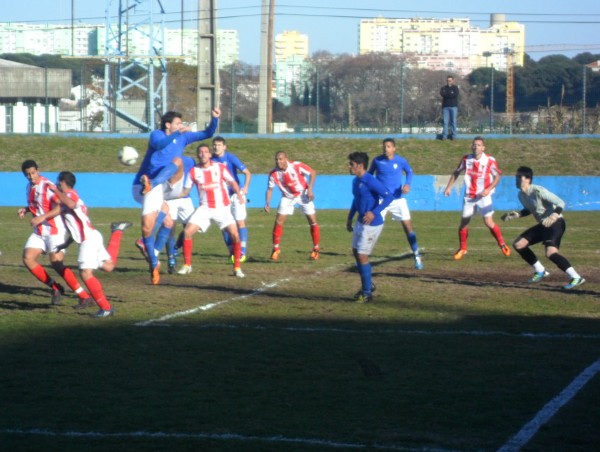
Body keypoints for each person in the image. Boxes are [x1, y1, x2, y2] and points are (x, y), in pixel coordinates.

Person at [132, 108, 220, 285]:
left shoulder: (183, 137)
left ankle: (154, 262)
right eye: (178, 123)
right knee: (148, 229)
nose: (181, 125)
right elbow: (160, 145)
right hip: (143, 185)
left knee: (168, 222)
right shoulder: (156, 135)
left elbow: (208, 133)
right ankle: (149, 248)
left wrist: (215, 119)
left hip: (158, 186)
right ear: (168, 125)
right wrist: (177, 133)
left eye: (181, 123)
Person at [49, 171, 132, 317]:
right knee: (108, 266)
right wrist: (65, 245)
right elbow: (76, 228)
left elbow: (71, 203)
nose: (56, 184)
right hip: (91, 236)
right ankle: (117, 231)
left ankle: (106, 308)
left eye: (58, 181)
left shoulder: (70, 195)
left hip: (88, 239)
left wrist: (55, 191)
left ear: (63, 182)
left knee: (85, 273)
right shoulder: (68, 198)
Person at [18, 159, 92, 306]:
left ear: (38, 171)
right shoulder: (29, 186)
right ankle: (55, 287)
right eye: (28, 174)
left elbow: (61, 206)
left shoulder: (48, 186)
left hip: (55, 230)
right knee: (28, 258)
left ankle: (84, 296)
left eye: (33, 173)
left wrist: (42, 217)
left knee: (56, 262)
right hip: (40, 231)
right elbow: (37, 204)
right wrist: (26, 209)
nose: (31, 176)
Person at [501, 166, 586, 290]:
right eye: (516, 177)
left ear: (528, 179)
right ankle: (540, 270)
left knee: (551, 253)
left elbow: (560, 202)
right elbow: (530, 209)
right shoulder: (521, 195)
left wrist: (554, 215)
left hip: (556, 223)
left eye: (519, 177)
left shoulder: (538, 191)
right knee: (519, 244)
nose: (516, 179)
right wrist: (518, 214)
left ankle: (576, 277)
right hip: (544, 225)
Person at [176, 144, 246, 278]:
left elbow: (232, 182)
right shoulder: (193, 171)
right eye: (200, 152)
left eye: (205, 152)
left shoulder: (220, 167)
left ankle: (237, 267)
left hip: (222, 208)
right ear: (198, 155)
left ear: (209, 154)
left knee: (235, 235)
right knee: (187, 232)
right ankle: (187, 265)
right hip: (205, 208)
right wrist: (171, 196)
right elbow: (185, 191)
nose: (203, 154)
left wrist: (239, 195)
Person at [444, 136, 511, 260]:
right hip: (469, 197)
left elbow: (497, 177)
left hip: (483, 196)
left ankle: (502, 244)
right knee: (463, 224)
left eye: (479, 145)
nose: (476, 147)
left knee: (488, 222)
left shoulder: (490, 160)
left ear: (483, 148)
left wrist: (488, 189)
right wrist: (449, 187)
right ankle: (462, 249)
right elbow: (457, 172)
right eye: (474, 145)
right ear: (471, 147)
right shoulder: (466, 159)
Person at [368, 137, 423, 270]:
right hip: (381, 200)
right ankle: (364, 258)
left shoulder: (401, 161)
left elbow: (409, 172)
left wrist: (408, 184)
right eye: (384, 147)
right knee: (373, 228)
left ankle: (417, 255)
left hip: (397, 200)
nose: (385, 149)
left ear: (394, 148)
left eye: (388, 147)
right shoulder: (377, 161)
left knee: (408, 227)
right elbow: (369, 175)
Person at [346, 152, 393, 303]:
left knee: (362, 255)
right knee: (356, 252)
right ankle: (368, 285)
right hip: (360, 221)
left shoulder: (370, 180)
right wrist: (350, 217)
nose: (349, 166)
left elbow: (389, 196)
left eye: (351, 164)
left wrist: (374, 212)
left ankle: (367, 293)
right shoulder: (356, 181)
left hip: (372, 223)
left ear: (360, 165)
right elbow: (356, 200)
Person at [264, 151, 320, 261]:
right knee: (278, 221)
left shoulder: (296, 166)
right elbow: (270, 189)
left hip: (303, 195)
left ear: (286, 159)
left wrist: (310, 189)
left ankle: (316, 249)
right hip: (287, 197)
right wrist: (267, 202)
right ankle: (276, 249)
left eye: (280, 159)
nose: (278, 162)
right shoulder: (273, 173)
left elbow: (313, 172)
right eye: (276, 160)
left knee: (313, 221)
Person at [210, 136, 251, 262]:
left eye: (219, 145)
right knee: (224, 225)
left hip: (236, 194)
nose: (216, 147)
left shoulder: (231, 158)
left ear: (224, 147)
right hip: (222, 196)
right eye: (215, 145)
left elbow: (247, 173)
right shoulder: (211, 160)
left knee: (240, 222)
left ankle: (242, 251)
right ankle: (232, 251)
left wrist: (245, 188)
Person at [440, 75, 459, 140]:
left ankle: (454, 136)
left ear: (453, 81)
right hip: (445, 107)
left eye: (450, 80)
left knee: (453, 121)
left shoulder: (455, 88)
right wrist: (450, 94)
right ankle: (444, 136)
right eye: (448, 80)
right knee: (445, 122)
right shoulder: (443, 88)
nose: (449, 82)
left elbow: (455, 95)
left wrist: (447, 95)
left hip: (453, 106)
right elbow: (442, 94)